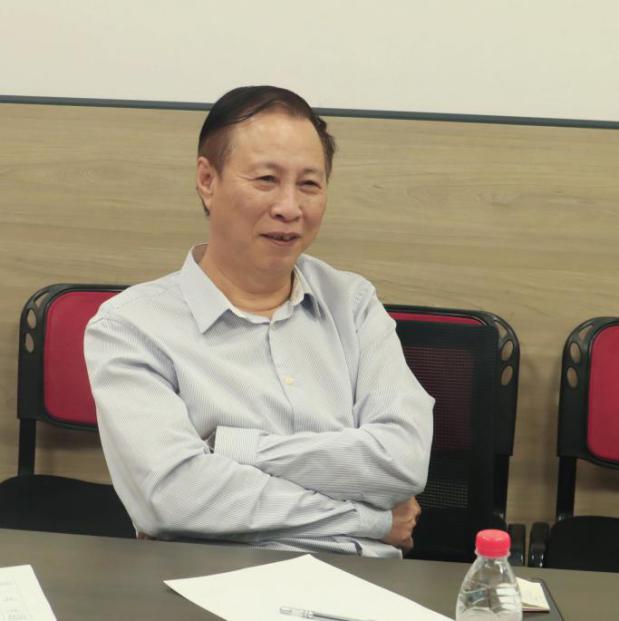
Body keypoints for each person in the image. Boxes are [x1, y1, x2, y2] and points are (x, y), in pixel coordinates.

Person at [84, 86, 434, 558]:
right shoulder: (130, 326)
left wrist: (235, 450)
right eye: (267, 179)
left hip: (361, 578)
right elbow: (173, 497)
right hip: (206, 577)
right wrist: (370, 519)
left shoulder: (353, 304)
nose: (289, 207)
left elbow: (403, 460)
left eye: (309, 184)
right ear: (207, 180)